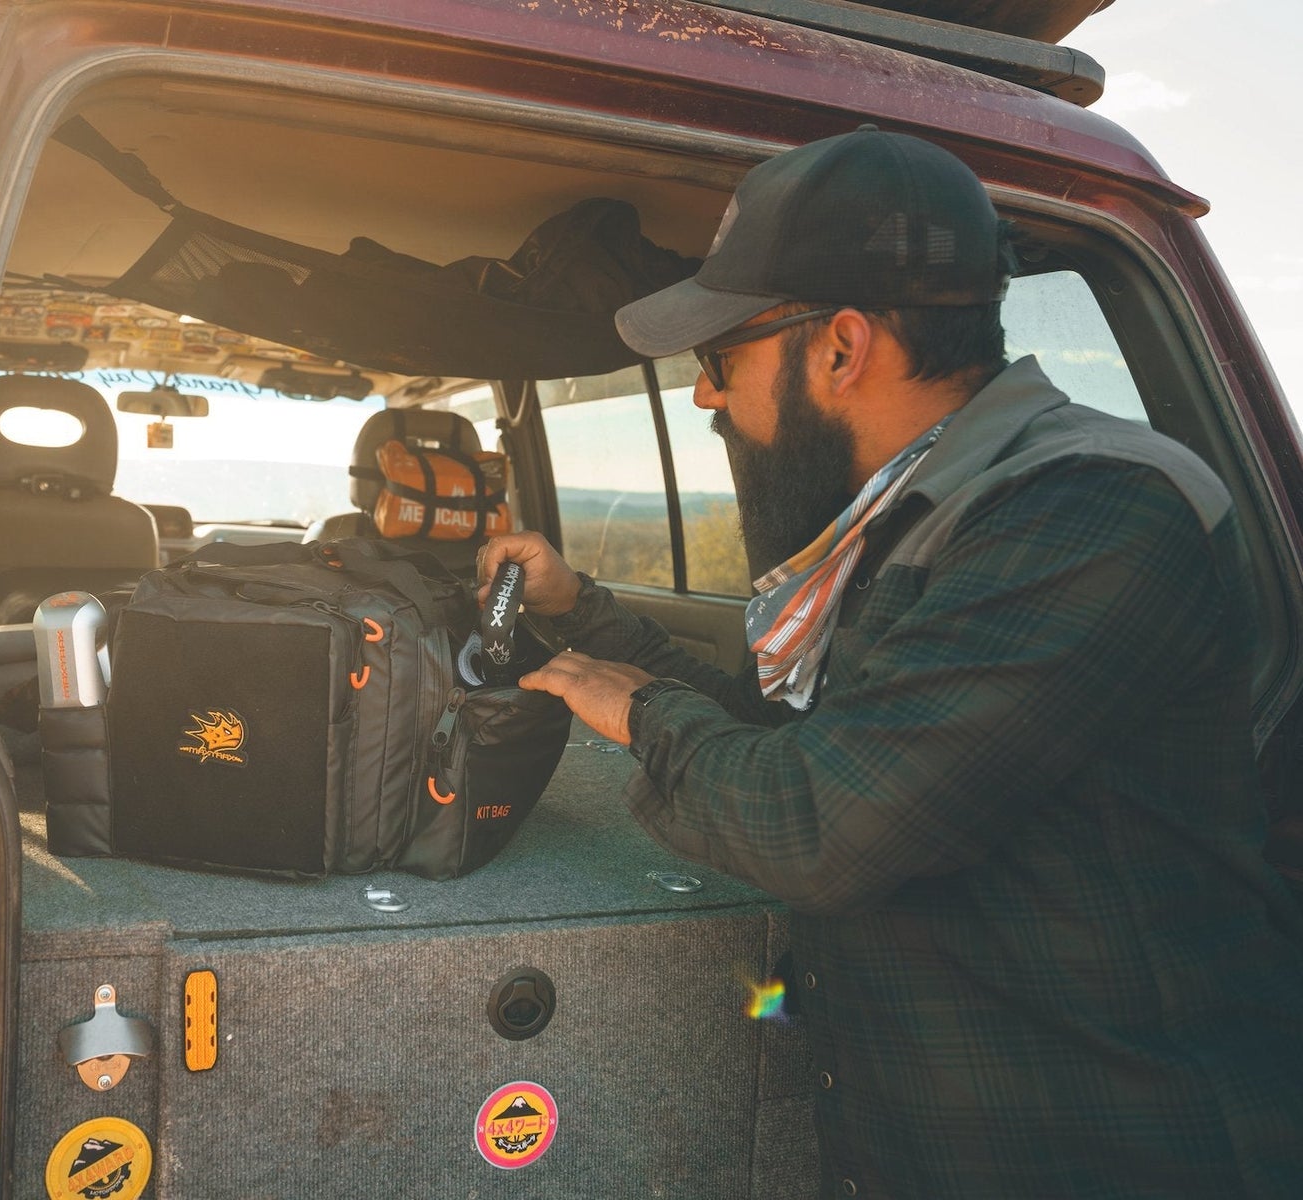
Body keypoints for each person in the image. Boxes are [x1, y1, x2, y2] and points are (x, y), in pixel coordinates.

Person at [477, 127, 1303, 1199]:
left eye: (719, 360)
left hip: (1107, 1147)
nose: (706, 398)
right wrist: (575, 613)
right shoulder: (900, 518)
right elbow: (793, 735)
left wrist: (643, 715)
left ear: (841, 348)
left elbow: (823, 820)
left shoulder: (1090, 509)